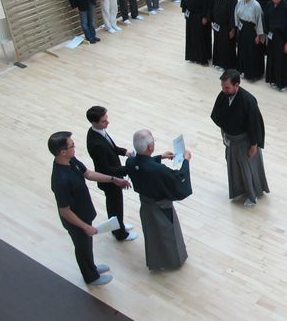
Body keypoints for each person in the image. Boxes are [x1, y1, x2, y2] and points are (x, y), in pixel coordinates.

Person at [48, 131, 130, 285]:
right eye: (72, 145)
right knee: (82, 247)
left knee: (87, 245)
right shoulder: (60, 180)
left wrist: (113, 180)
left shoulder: (71, 160)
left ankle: (91, 267)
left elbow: (88, 174)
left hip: (84, 213)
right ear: (62, 152)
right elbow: (64, 211)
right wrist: (85, 226)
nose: (75, 147)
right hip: (77, 221)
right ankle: (90, 277)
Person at [127, 130, 192, 270]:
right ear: (150, 147)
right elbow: (179, 178)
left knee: (151, 234)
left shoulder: (130, 162)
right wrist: (186, 160)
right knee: (168, 234)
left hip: (145, 204)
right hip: (161, 206)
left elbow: (144, 165)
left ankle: (155, 260)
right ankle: (174, 261)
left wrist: (159, 157)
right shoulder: (158, 170)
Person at [210, 69, 270, 207]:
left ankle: (252, 194)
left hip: (244, 142)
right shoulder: (224, 95)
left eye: (227, 87)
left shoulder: (248, 101)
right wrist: (224, 133)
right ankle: (240, 190)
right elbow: (217, 115)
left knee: (247, 169)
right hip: (231, 140)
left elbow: (254, 124)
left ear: (237, 85)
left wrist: (254, 145)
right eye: (223, 87)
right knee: (235, 168)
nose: (224, 90)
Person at [85, 106, 137, 243]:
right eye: (104, 121)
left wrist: (125, 152)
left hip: (114, 177)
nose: (107, 123)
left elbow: (112, 148)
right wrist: (128, 169)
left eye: (106, 119)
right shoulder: (96, 144)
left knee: (116, 206)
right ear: (94, 122)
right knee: (115, 207)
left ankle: (119, 225)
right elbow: (106, 169)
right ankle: (120, 233)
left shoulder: (99, 132)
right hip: (110, 181)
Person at [263, 0, 287, 91]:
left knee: (283, 61)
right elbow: (266, 21)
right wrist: (266, 35)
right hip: (272, 36)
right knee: (272, 58)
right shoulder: (269, 5)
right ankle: (274, 80)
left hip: (282, 38)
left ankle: (284, 83)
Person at [181, 0, 211, 65]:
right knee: (190, 35)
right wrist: (184, 10)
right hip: (190, 13)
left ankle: (202, 58)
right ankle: (192, 55)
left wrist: (205, 17)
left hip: (199, 14)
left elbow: (207, 2)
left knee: (200, 36)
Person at [235, 0, 265, 81]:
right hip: (242, 28)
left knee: (252, 52)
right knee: (242, 50)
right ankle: (243, 70)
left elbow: (259, 21)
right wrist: (237, 27)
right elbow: (236, 15)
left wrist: (258, 35)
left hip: (252, 30)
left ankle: (253, 74)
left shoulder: (256, 5)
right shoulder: (240, 3)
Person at [210, 0, 237, 70]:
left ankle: (226, 65)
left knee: (226, 45)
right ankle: (218, 62)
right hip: (217, 25)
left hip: (227, 27)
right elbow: (212, 9)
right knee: (217, 43)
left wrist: (232, 29)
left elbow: (233, 15)